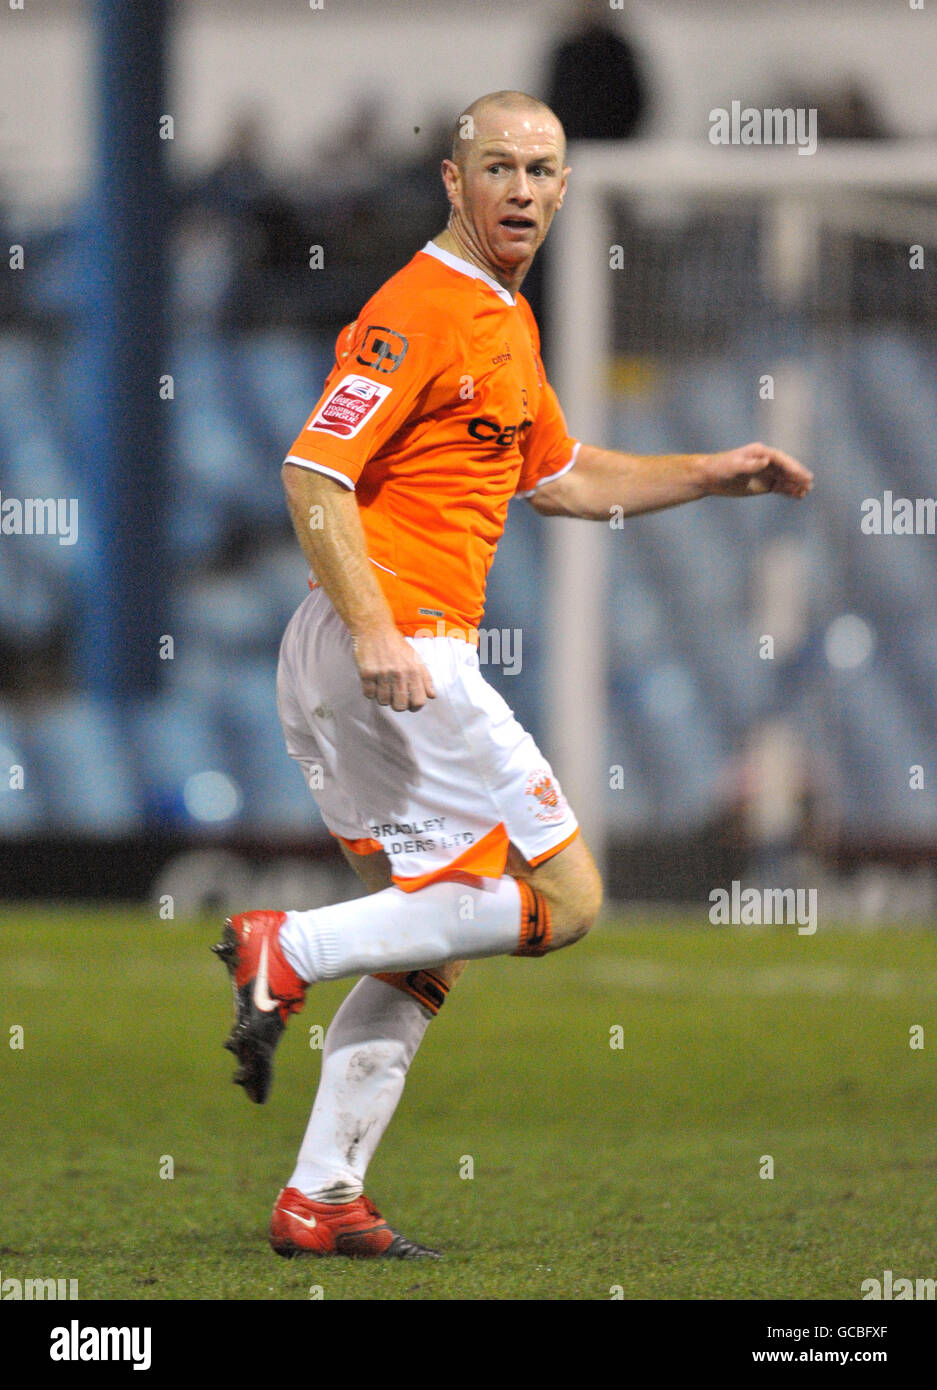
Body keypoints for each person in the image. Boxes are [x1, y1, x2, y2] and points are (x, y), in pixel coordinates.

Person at [213, 89, 813, 1260]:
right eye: (499, 168)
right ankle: (289, 948)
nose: (523, 190)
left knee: (427, 940)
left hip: (352, 652)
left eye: (543, 169)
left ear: (567, 183)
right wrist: (383, 628)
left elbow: (565, 475)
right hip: (397, 644)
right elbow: (310, 472)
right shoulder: (420, 309)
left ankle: (320, 1194)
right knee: (573, 901)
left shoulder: (501, 319)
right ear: (455, 181)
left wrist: (712, 472)